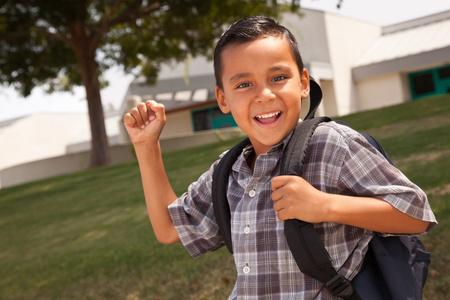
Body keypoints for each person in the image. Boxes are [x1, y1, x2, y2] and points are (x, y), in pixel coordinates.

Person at [123, 16, 437, 299]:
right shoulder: (227, 170)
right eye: (244, 84)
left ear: (302, 83)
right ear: (222, 99)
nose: (264, 95)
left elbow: (417, 213)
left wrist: (324, 205)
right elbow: (169, 229)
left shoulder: (332, 145)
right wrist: (146, 146)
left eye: (277, 77)